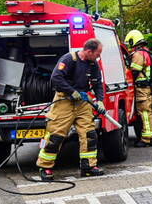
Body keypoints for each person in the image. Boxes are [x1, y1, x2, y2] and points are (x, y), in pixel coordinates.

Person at [37, 39, 106, 180]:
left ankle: (88, 167)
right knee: (56, 135)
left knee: (89, 134)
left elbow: (97, 83)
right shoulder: (69, 59)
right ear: (89, 51)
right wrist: (72, 92)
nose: (98, 57)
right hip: (65, 101)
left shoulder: (93, 63)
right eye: (97, 54)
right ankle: (45, 167)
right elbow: (56, 78)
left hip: (83, 102)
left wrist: (100, 100)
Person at [124, 30, 152, 147]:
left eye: (130, 42)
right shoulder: (146, 52)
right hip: (146, 88)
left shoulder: (138, 54)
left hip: (141, 89)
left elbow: (134, 72)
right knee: (146, 113)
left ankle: (146, 139)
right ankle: (148, 137)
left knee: (144, 113)